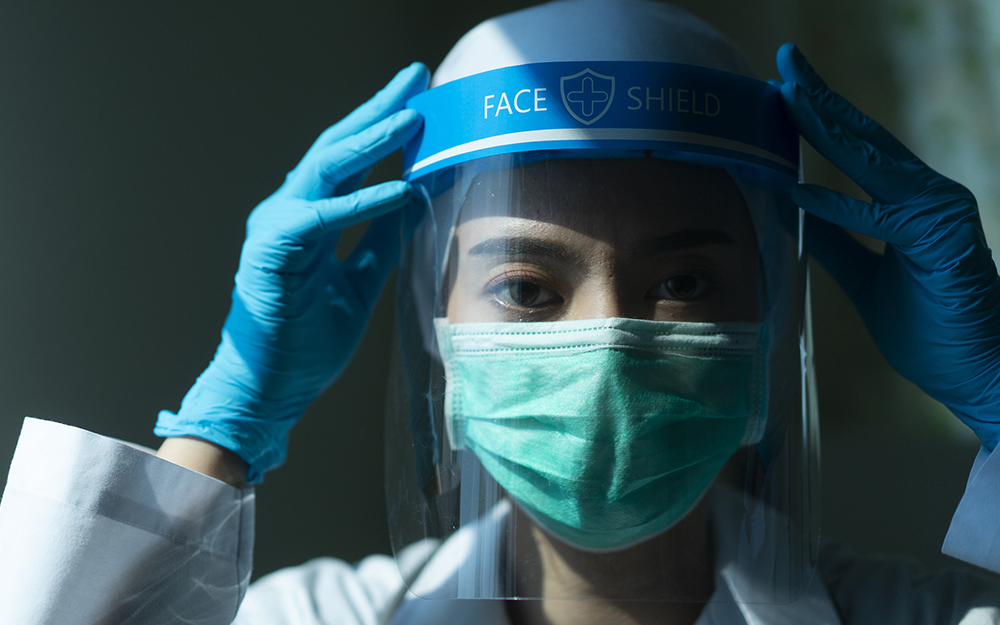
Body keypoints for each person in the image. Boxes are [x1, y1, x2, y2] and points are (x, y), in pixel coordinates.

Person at [2, 1, 1000, 623]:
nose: (608, 340)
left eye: (684, 282)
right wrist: (223, 425)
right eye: (525, 287)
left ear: (770, 307)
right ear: (437, 323)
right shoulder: (321, 618)